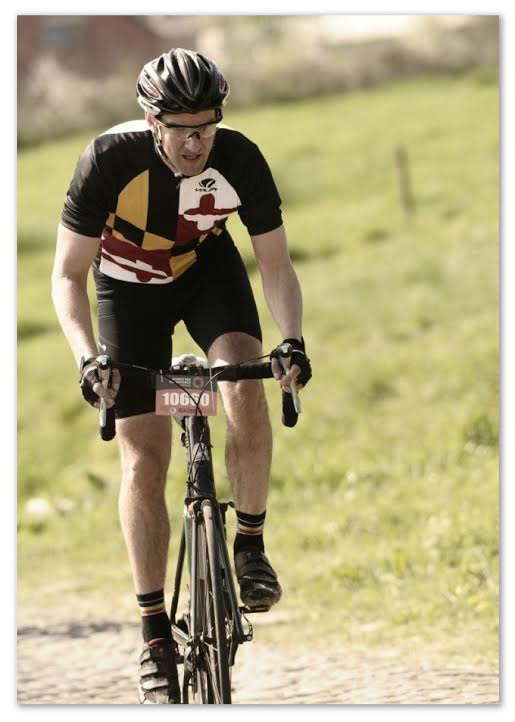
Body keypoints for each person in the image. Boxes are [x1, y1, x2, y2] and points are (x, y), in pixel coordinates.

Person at [51, 48, 312, 704]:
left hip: (203, 271)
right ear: (151, 119)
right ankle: (153, 637)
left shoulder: (239, 156)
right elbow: (66, 276)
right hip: (125, 289)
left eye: (207, 126)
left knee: (239, 380)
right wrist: (89, 358)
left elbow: (274, 263)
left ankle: (249, 544)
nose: (197, 143)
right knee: (145, 460)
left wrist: (292, 341)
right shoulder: (109, 160)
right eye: (181, 129)